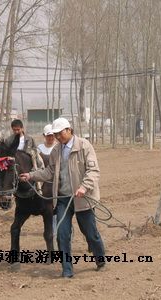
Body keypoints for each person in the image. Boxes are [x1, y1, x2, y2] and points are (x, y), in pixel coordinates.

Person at [20, 117, 105, 278]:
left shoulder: (84, 146)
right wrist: (31, 175)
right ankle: (67, 270)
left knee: (90, 232)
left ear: (69, 130)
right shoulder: (56, 151)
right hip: (63, 198)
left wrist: (83, 187)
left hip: (82, 198)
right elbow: (49, 172)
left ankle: (100, 259)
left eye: (60, 133)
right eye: (56, 134)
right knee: (62, 234)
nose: (58, 137)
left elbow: (93, 171)